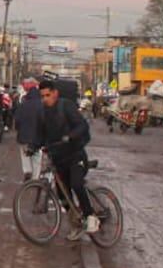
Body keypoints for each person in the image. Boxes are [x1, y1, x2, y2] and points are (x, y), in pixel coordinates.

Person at [32, 77, 100, 236]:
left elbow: (82, 125)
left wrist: (70, 136)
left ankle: (91, 216)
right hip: (58, 160)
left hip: (75, 156)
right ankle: (76, 223)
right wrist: (32, 147)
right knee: (63, 197)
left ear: (55, 93)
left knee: (76, 184)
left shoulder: (66, 106)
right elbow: (40, 136)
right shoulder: (42, 113)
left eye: (47, 95)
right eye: (42, 96)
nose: (44, 99)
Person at [14, 77, 43, 182]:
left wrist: (18, 129)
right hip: (38, 136)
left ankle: (27, 171)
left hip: (24, 134)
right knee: (37, 156)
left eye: (24, 84)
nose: (23, 86)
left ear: (30, 85)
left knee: (25, 153)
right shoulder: (42, 102)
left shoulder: (24, 102)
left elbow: (17, 119)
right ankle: (35, 178)